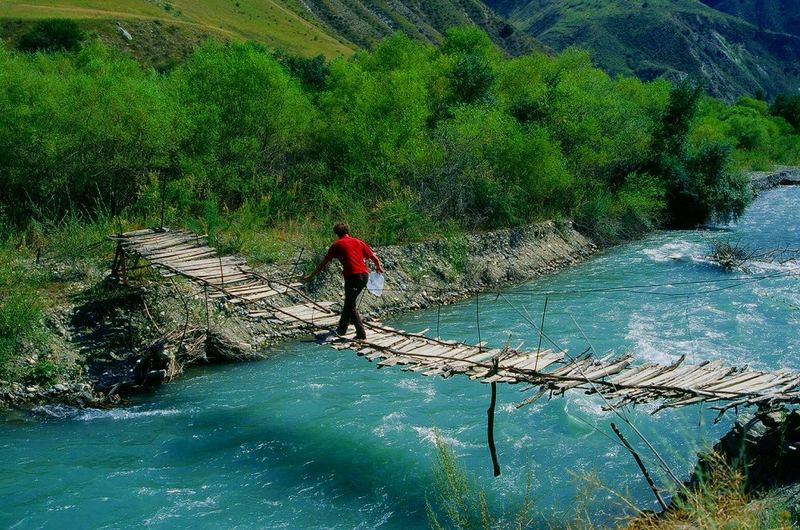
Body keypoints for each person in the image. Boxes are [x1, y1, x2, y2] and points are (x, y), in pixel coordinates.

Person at [303, 222, 383, 339]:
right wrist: (378, 267)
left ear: (336, 233)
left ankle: (361, 333)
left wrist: (311, 276)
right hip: (364, 276)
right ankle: (342, 329)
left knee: (351, 305)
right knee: (349, 302)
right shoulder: (358, 242)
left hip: (352, 277)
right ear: (348, 231)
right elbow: (373, 257)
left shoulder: (336, 245)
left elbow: (323, 263)